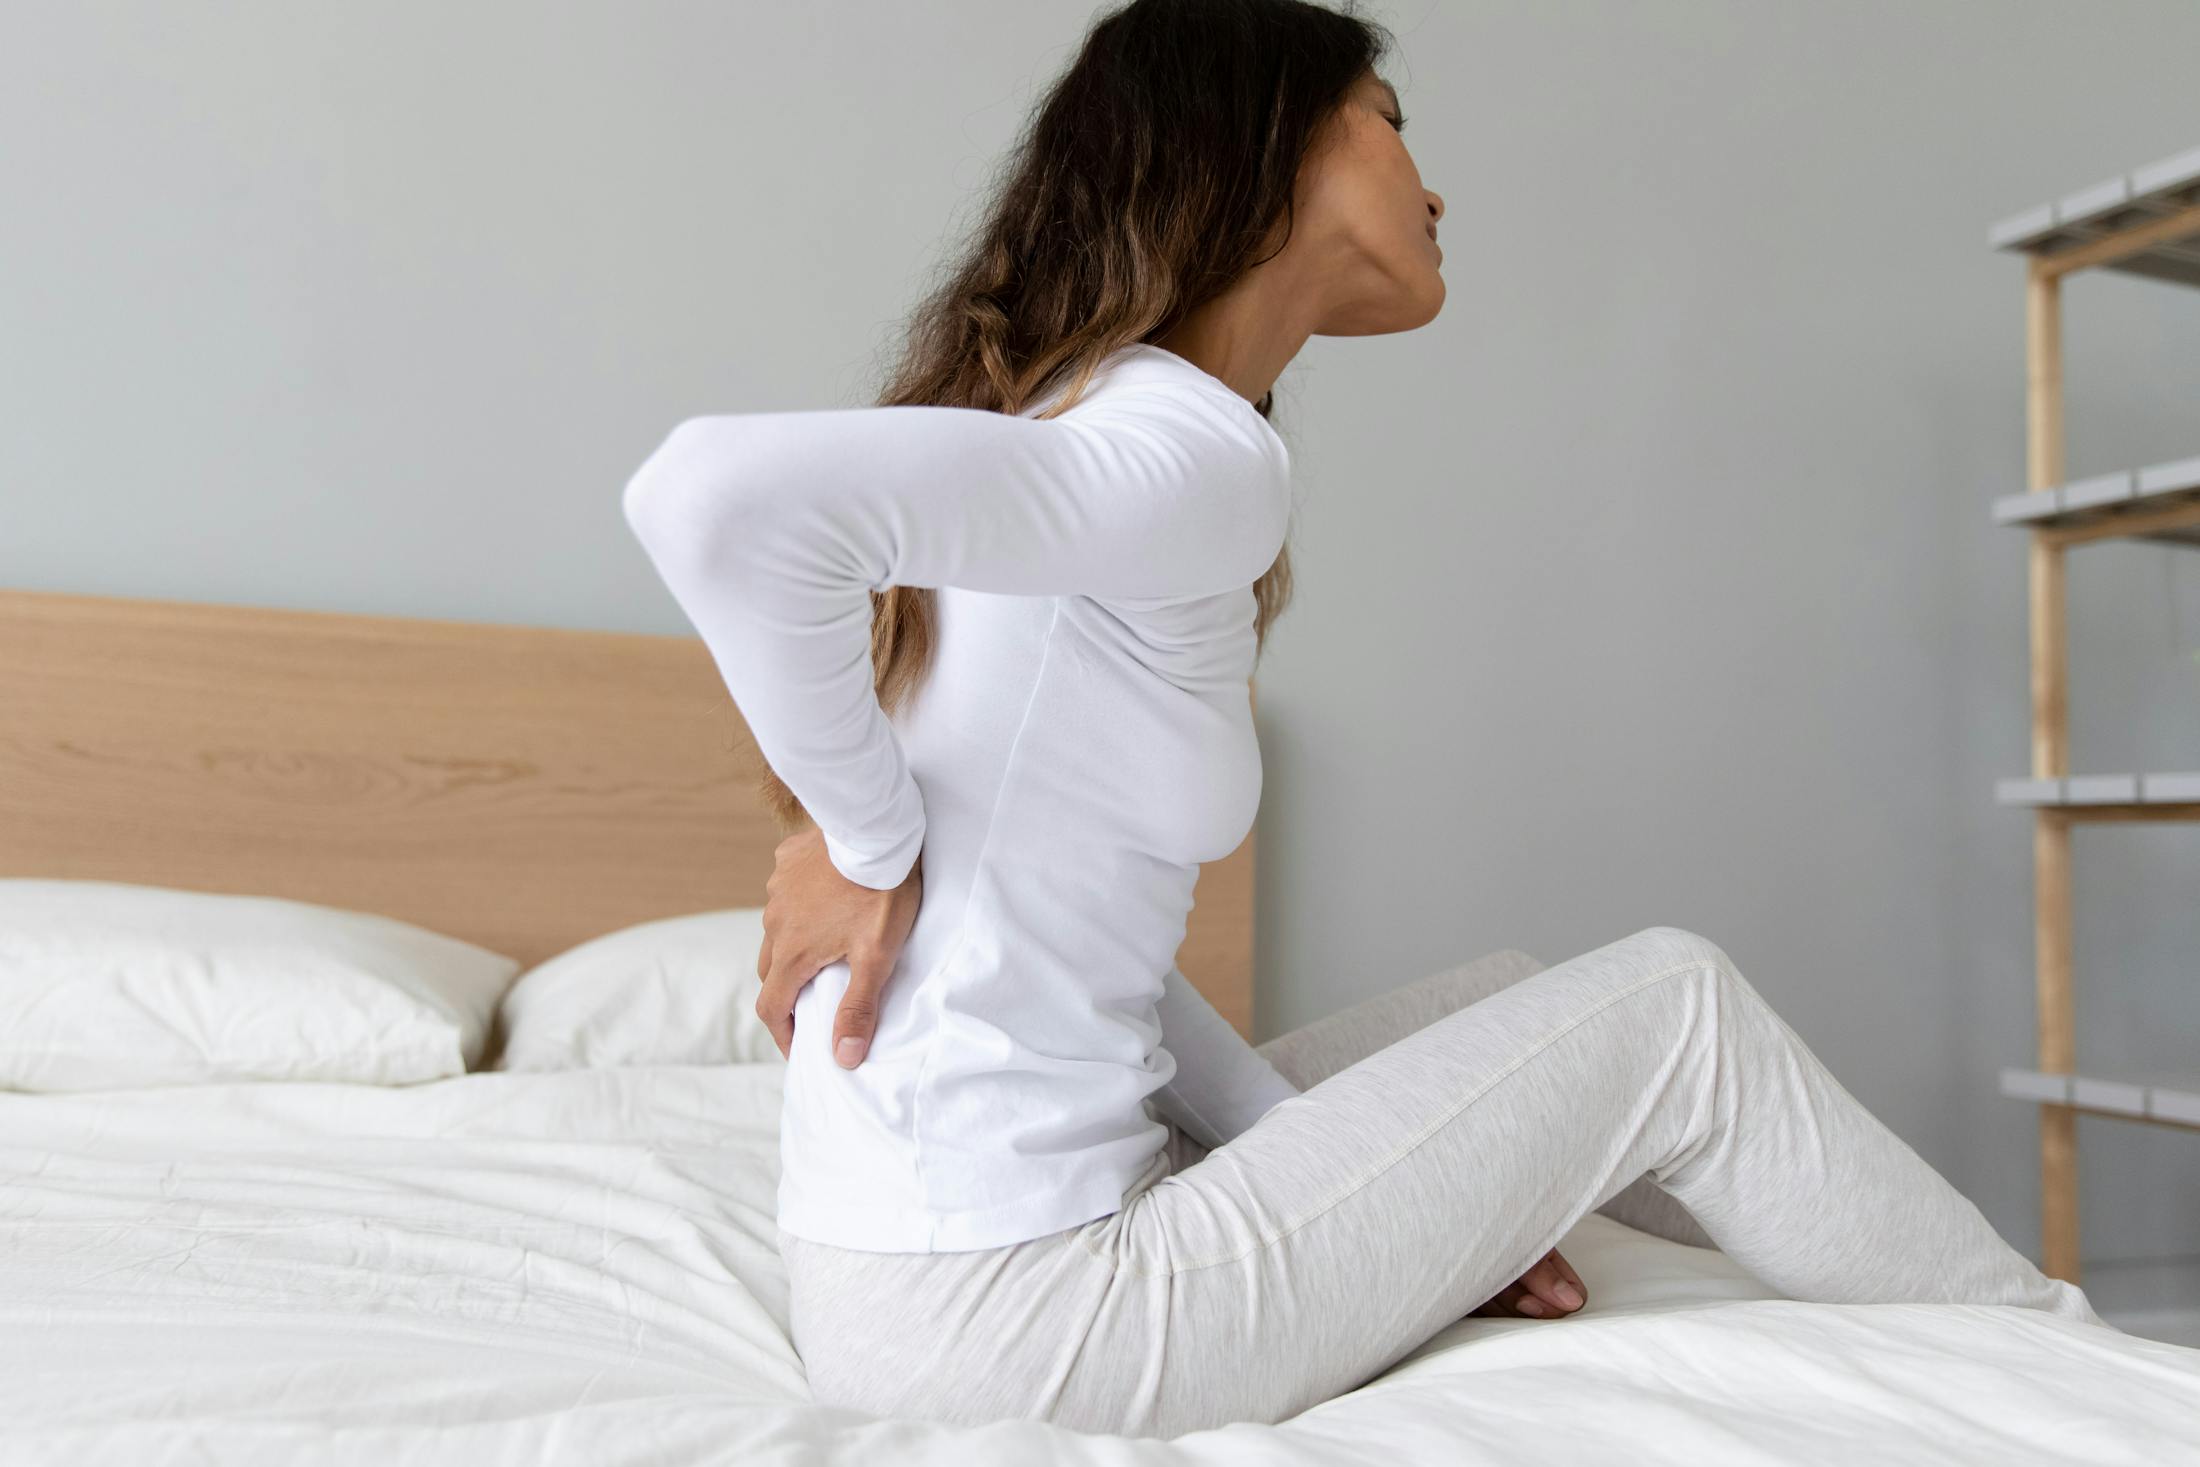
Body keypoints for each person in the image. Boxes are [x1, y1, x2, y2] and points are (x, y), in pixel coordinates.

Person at [620, 0, 2106, 1439]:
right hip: (1020, 1314)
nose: (1434, 177)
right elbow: (707, 497)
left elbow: (1083, 950)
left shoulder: (1082, 425)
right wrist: (869, 840)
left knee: (1518, 997)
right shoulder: (1186, 450)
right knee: (1676, 1014)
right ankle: (2059, 1362)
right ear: (1262, 148)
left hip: (914, 1281)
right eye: (1390, 121)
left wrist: (1404, 1187)